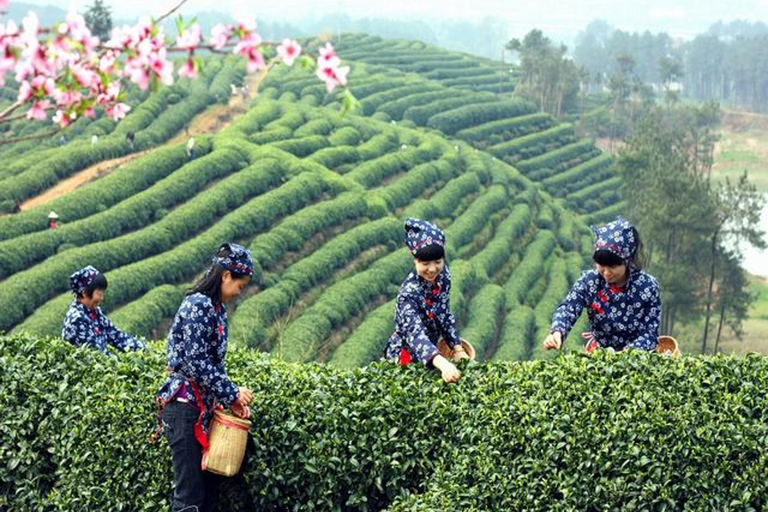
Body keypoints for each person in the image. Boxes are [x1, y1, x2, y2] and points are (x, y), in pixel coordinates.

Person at [157, 243, 255, 512]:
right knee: (189, 496)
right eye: (240, 285)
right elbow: (195, 362)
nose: (239, 292)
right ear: (225, 276)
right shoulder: (198, 305)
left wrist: (229, 400)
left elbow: (214, 365)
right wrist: (232, 392)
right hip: (184, 409)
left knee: (209, 494)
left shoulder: (216, 309)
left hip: (203, 409)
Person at [542, 216, 661, 353]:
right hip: (601, 354)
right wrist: (557, 331)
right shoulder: (590, 281)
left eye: (612, 266)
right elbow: (569, 307)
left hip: (637, 356)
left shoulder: (646, 286)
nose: (606, 272)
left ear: (627, 261)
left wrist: (626, 355)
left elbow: (650, 333)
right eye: (601, 265)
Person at [385, 218, 468, 383]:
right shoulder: (408, 294)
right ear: (415, 260)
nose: (432, 269)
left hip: (433, 354)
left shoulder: (443, 277)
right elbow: (416, 336)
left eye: (438, 262)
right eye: (425, 263)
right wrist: (443, 364)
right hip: (406, 357)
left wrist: (457, 348)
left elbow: (444, 313)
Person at [62, 266, 146, 354]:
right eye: (99, 293)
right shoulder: (77, 319)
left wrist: (145, 350)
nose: (102, 298)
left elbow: (117, 336)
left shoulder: (95, 313)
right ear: (84, 293)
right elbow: (98, 353)